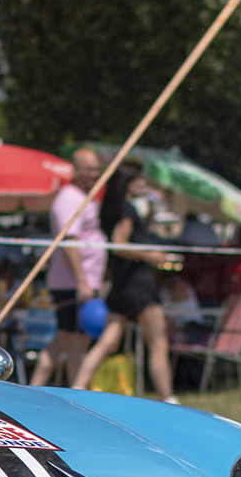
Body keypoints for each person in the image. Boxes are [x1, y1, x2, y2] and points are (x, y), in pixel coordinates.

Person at [72, 166, 178, 402]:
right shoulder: (127, 209)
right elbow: (120, 243)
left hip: (120, 285)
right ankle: (168, 398)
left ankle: (77, 388)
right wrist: (151, 256)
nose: (144, 183)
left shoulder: (114, 209)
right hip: (138, 285)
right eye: (139, 179)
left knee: (106, 342)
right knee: (158, 343)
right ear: (128, 182)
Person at [30, 146, 106, 386]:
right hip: (72, 283)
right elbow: (69, 242)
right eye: (89, 169)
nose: (95, 174)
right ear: (75, 170)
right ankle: (63, 389)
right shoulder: (70, 198)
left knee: (75, 340)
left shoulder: (83, 198)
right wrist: (82, 281)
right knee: (68, 339)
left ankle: (75, 389)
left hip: (83, 282)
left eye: (97, 169)